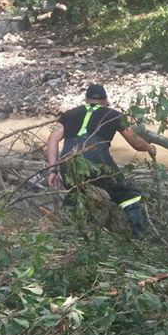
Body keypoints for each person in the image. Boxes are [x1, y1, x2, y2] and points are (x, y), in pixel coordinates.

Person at [46, 84, 156, 238]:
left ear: (86, 99)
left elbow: (52, 139)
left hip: (68, 160)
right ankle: (138, 236)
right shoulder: (113, 115)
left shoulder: (69, 114)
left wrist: (53, 170)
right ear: (106, 100)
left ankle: (65, 235)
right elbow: (136, 143)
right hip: (96, 158)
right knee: (128, 194)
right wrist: (150, 148)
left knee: (75, 193)